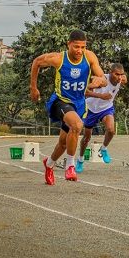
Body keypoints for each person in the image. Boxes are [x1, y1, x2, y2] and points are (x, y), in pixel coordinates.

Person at [30, 29, 106, 185]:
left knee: (64, 143)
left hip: (79, 103)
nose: (79, 51)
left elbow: (102, 77)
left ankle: (49, 163)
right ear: (68, 44)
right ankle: (70, 165)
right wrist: (33, 88)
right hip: (61, 101)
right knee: (77, 125)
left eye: (83, 47)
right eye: (76, 47)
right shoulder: (58, 59)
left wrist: (99, 81)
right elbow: (37, 62)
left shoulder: (89, 57)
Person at [75, 63, 127, 173]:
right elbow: (84, 91)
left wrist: (124, 79)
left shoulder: (121, 80)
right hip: (91, 110)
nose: (119, 77)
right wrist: (101, 96)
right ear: (110, 72)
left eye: (121, 74)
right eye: (116, 74)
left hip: (106, 109)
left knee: (111, 130)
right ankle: (80, 159)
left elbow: (124, 80)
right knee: (86, 138)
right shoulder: (102, 81)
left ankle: (103, 148)